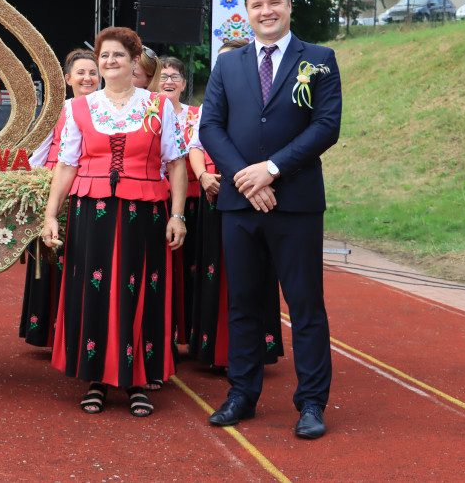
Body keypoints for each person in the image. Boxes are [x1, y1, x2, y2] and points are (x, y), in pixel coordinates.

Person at [200, 0, 342, 439]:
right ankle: (242, 394)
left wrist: (272, 170)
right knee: (243, 305)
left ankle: (312, 404)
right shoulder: (228, 65)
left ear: (287, 6)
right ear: (247, 9)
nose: (266, 11)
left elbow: (325, 126)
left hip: (295, 204)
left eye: (274, 3)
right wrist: (247, 176)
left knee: (305, 307)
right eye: (258, 4)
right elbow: (211, 129)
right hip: (241, 207)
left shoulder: (319, 60)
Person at [41, 26, 187, 418]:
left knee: (141, 293)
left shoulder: (159, 105)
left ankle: (138, 380)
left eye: (117, 55)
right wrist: (51, 214)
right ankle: (97, 378)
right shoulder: (78, 109)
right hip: (93, 213)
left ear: (134, 60)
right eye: (104, 55)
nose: (108, 62)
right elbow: (67, 165)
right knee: (95, 293)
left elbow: (175, 164)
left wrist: (177, 215)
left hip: (146, 215)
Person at [185, 40, 284, 369]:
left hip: (262, 194)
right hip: (218, 194)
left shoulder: (270, 101)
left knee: (258, 274)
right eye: (222, 65)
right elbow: (197, 144)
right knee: (214, 272)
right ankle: (214, 349)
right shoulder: (209, 107)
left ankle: (256, 352)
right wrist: (202, 177)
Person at [21, 49, 100, 348]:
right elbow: (40, 154)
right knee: (52, 260)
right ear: (68, 79)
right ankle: (48, 331)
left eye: (92, 72)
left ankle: (78, 330)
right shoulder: (56, 111)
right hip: (54, 189)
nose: (87, 78)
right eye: (80, 73)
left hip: (90, 192)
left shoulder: (108, 109)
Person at [158, 56, 198, 349]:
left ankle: (193, 334)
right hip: (157, 200)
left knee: (193, 272)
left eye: (174, 77)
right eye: (162, 76)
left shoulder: (197, 115)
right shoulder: (144, 112)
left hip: (195, 204)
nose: (168, 81)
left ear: (184, 84)